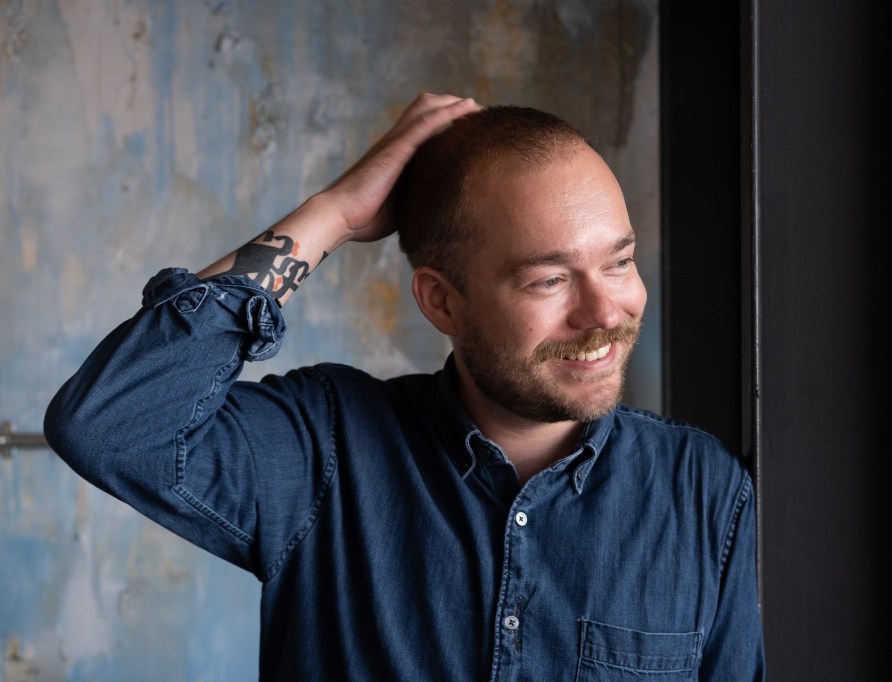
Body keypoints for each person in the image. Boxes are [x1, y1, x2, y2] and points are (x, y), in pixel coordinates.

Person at [45, 93, 765, 681]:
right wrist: (333, 214)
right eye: (549, 280)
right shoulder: (325, 449)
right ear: (441, 302)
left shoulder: (701, 488)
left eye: (619, 262)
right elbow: (110, 423)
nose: (606, 312)